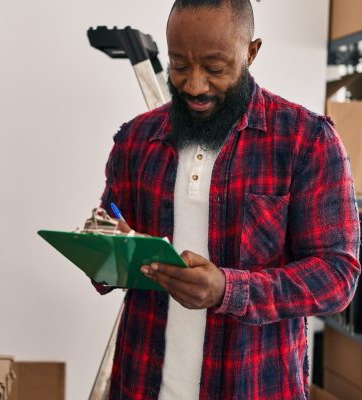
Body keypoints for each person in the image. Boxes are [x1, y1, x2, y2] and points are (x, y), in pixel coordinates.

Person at [94, 0, 361, 399]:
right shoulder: (136, 139)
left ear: (251, 52)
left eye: (215, 68)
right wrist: (103, 247)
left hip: (255, 386)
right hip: (142, 382)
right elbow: (107, 236)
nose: (195, 85)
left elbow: (336, 278)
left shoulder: (307, 141)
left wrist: (227, 290)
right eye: (180, 66)